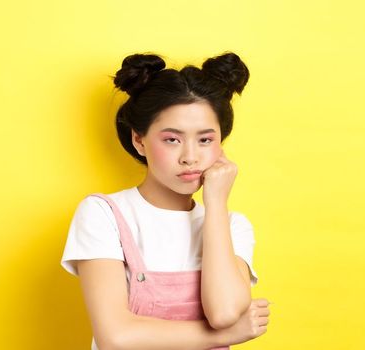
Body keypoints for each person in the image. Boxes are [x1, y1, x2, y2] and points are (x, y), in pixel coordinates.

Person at [60, 52, 271, 350]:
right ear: (139, 140)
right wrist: (227, 336)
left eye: (205, 140)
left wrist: (216, 202)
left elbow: (223, 313)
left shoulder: (232, 225)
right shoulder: (104, 214)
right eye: (172, 139)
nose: (190, 157)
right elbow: (116, 337)